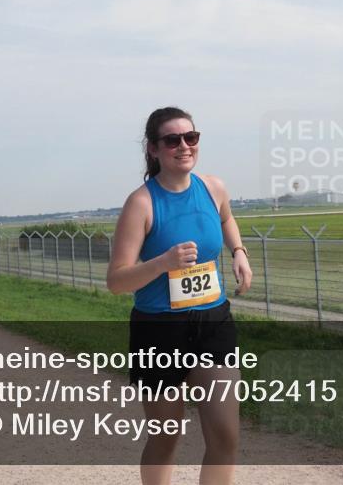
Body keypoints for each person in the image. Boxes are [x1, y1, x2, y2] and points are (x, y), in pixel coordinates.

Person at [107, 107, 253, 485]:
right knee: (166, 435)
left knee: (225, 436)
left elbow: (226, 218)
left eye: (191, 137)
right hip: (160, 330)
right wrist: (163, 263)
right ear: (154, 149)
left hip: (213, 322)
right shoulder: (141, 203)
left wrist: (238, 252)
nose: (184, 146)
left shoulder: (213, 187)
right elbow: (117, 281)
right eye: (172, 140)